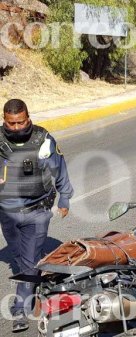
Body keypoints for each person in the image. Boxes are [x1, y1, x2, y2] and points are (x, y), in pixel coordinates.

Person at [0, 99, 73, 332]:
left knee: (28, 262)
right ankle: (36, 270)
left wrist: (65, 197)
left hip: (37, 209)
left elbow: (59, 167)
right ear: (4, 121)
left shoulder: (43, 139)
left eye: (20, 122)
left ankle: (21, 309)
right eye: (10, 123)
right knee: (19, 254)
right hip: (8, 211)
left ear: (28, 118)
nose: (16, 127)